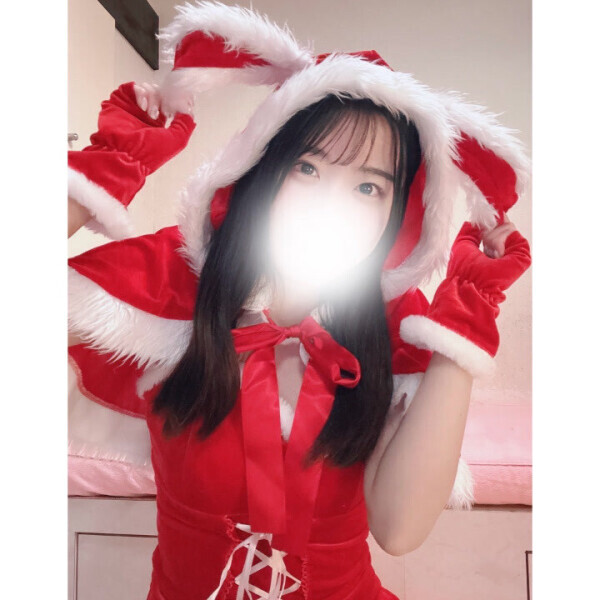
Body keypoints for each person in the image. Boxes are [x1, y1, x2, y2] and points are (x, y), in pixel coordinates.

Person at [67, 3, 531, 599]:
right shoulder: (173, 280)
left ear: (396, 216)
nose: (330, 203)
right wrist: (109, 166)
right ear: (262, 166)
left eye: (369, 186)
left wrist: (469, 311)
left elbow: (400, 528)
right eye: (307, 168)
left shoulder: (396, 327)